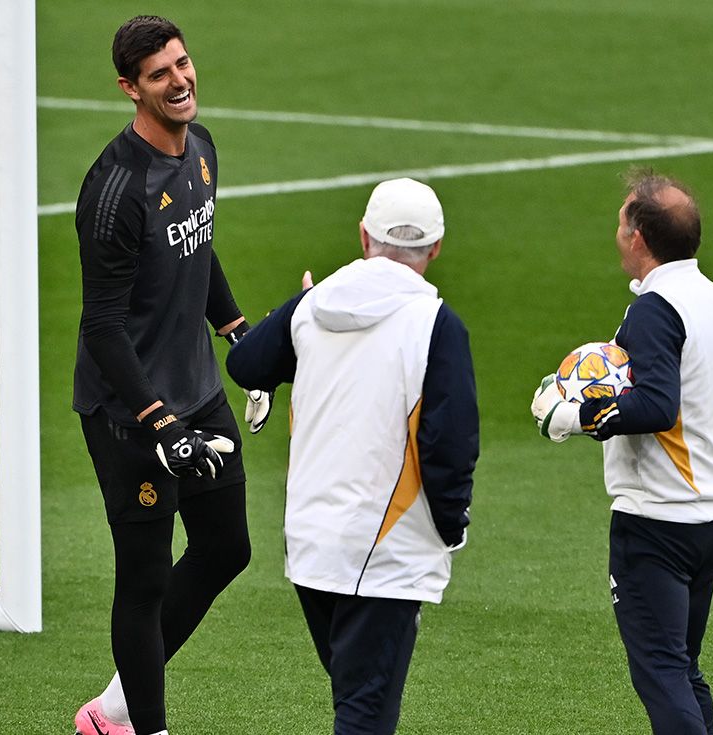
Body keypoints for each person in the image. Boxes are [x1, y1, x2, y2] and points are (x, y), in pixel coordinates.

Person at [70, 16, 272, 735]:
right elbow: (102, 327)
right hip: (129, 411)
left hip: (197, 388)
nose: (179, 81)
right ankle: (144, 728)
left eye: (182, 64)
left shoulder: (203, 148)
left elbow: (199, 247)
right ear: (130, 88)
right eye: (159, 74)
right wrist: (157, 420)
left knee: (226, 547)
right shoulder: (114, 190)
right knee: (146, 575)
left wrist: (240, 334)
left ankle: (115, 708)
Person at [226, 178, 479, 735]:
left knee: (354, 701)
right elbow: (450, 445)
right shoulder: (438, 325)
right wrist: (451, 525)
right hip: (386, 550)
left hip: (312, 543)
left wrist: (299, 314)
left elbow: (246, 365)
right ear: (436, 248)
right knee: (366, 714)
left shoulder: (314, 306)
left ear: (363, 235)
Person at [531, 169, 713, 735]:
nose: (618, 229)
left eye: (623, 219)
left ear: (639, 238)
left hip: (659, 520)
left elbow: (655, 406)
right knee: (682, 667)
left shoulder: (657, 308)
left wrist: (575, 416)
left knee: (660, 672)